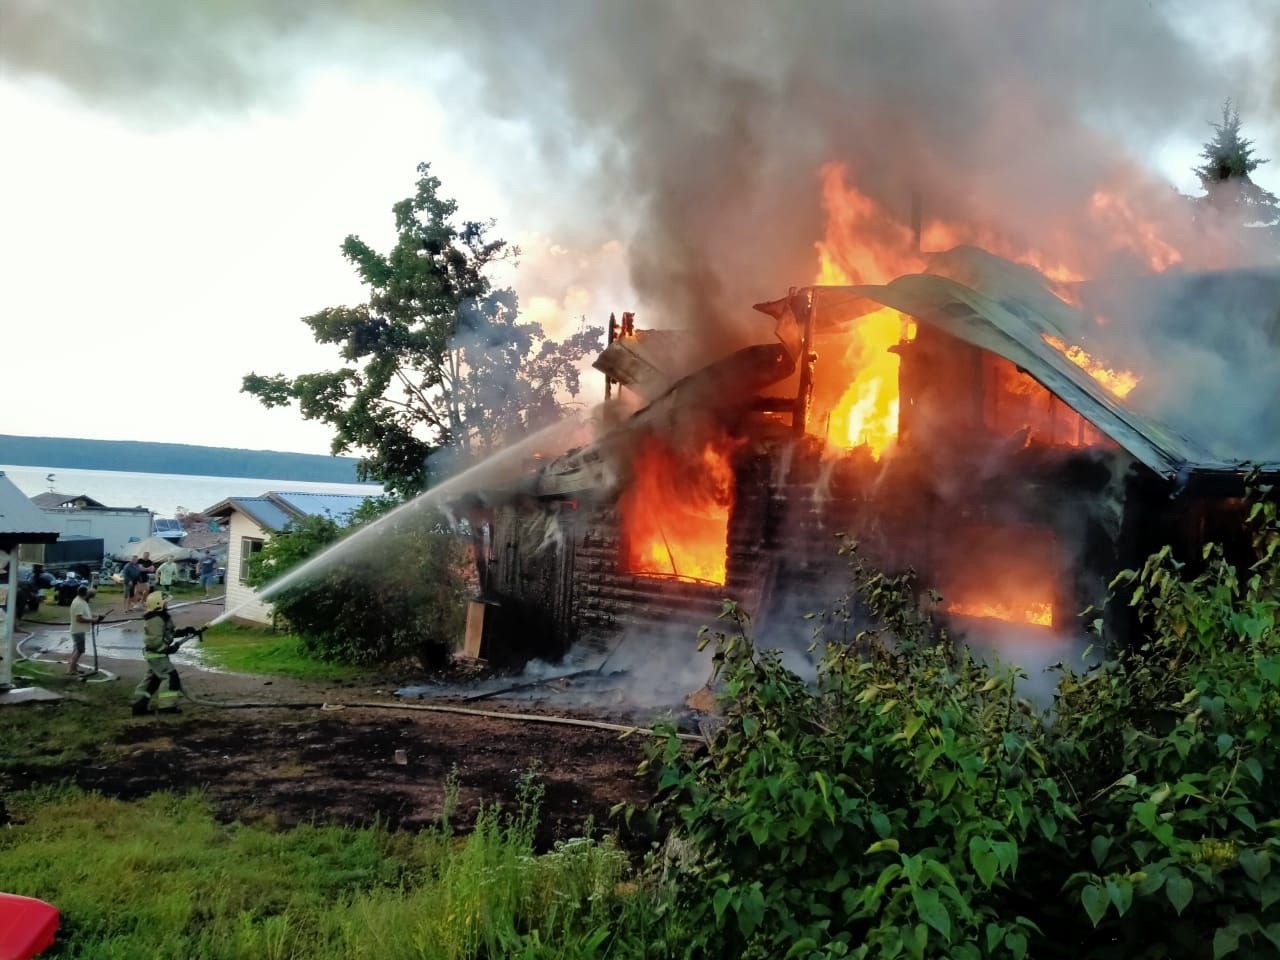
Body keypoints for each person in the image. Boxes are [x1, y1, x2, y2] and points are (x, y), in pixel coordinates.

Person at [131, 592, 191, 715]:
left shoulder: (160, 617)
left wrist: (184, 632)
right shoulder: (155, 619)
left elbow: (166, 634)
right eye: (165, 603)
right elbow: (154, 641)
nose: (167, 605)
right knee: (170, 677)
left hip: (156, 654)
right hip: (157, 654)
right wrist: (167, 649)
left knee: (152, 680)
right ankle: (167, 707)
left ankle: (139, 705)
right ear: (159, 604)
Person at [67, 585, 102, 676]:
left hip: (79, 630)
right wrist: (93, 620)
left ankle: (74, 668)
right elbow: (79, 618)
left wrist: (96, 616)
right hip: (78, 630)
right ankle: (71, 669)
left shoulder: (81, 601)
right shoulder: (79, 603)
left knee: (76, 649)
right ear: (85, 593)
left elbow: (86, 614)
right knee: (80, 650)